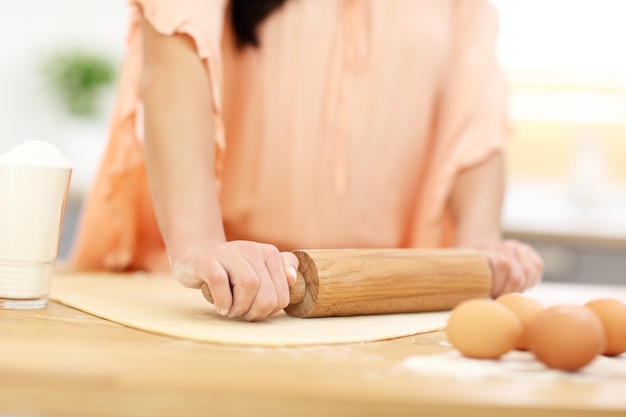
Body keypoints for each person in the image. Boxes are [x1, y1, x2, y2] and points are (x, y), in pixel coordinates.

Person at [72, 0, 544, 321]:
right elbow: (175, 61)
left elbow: (475, 109)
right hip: (215, 294)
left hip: (374, 297)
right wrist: (199, 246)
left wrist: (478, 244)